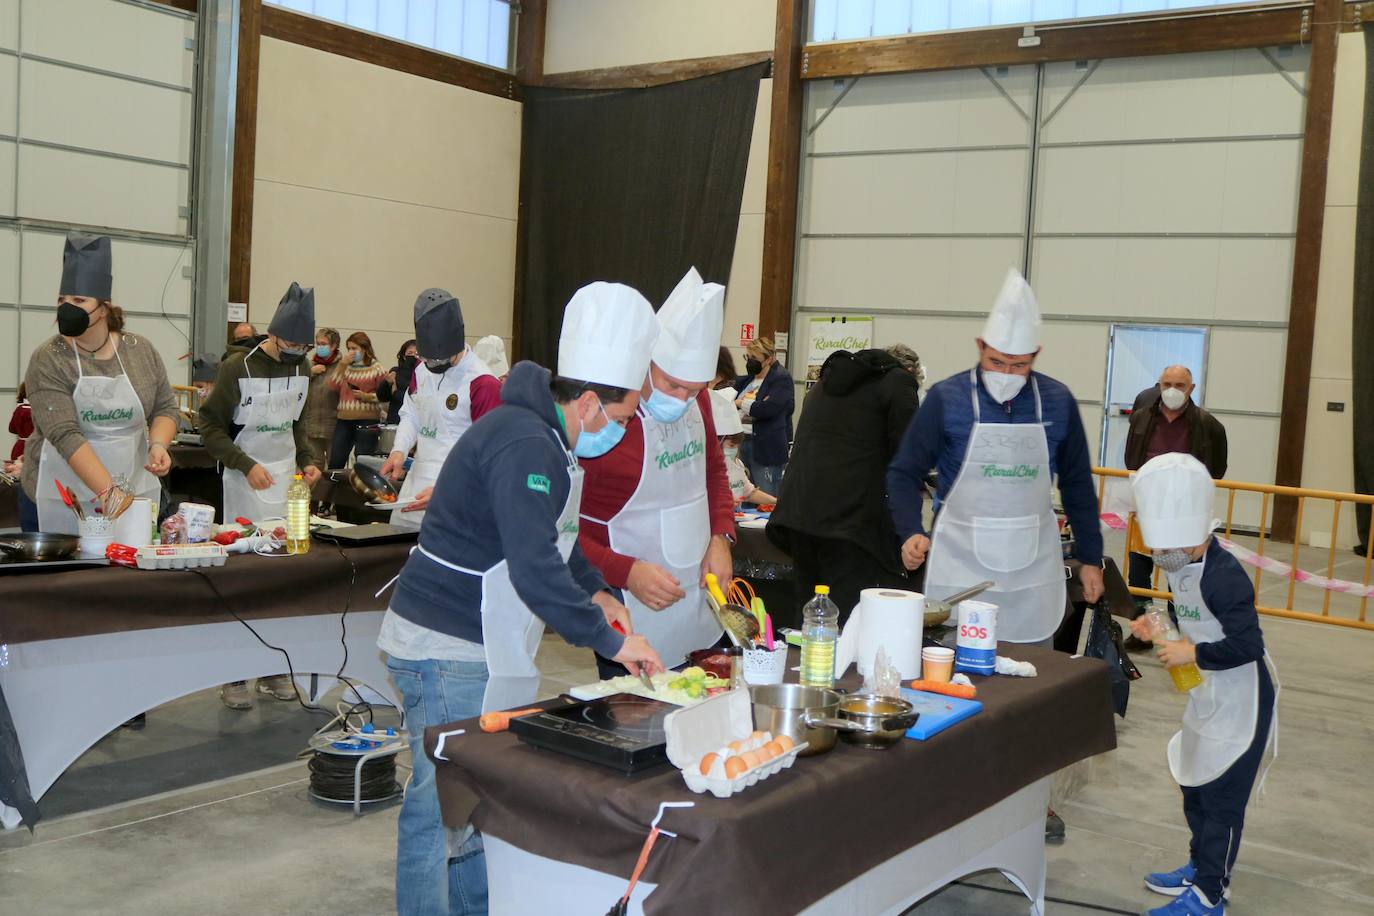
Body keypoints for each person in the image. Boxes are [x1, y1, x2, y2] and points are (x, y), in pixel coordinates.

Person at [376, 280, 666, 916]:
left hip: (478, 639)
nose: (618, 433)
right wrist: (615, 641)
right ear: (587, 403)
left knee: (476, 802)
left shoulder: (551, 439)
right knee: (439, 808)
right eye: (618, 420)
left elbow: (557, 540)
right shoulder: (526, 441)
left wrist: (598, 591)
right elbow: (535, 572)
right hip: (444, 641)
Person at [1127, 453, 1276, 916]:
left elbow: (1247, 644)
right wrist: (1160, 631)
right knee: (1194, 785)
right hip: (1207, 694)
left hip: (1242, 698)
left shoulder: (1225, 576)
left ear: (1196, 534)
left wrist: (1194, 653)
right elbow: (1187, 621)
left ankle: (1212, 894)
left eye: (1166, 545)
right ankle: (1198, 868)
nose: (1159, 555)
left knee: (1222, 799)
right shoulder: (1181, 566)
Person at [579, 268, 736, 675]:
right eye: (672, 385)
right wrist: (624, 571)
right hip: (622, 594)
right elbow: (559, 531)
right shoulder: (603, 421)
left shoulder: (697, 404)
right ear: (647, 362)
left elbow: (714, 472)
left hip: (696, 592)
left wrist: (720, 536)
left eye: (696, 389)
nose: (683, 399)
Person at [199, 283, 321, 708]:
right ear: (273, 334)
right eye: (289, 343)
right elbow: (208, 425)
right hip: (244, 483)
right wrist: (243, 463)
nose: (295, 351)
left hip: (286, 483)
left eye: (303, 345)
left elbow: (297, 424)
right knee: (245, 582)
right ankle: (233, 676)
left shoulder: (303, 368)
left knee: (281, 582)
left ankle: (273, 670)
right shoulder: (239, 368)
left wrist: (307, 459)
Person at [20, 234, 178, 534]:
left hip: (131, 492)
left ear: (103, 308)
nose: (67, 308)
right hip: (63, 498)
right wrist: (108, 493)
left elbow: (165, 407)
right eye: (62, 301)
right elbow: (64, 433)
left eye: (79, 301)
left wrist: (158, 445)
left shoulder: (140, 351)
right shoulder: (48, 359)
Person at [766, 345, 921, 624]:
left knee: (809, 617)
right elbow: (908, 458)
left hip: (798, 515)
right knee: (848, 620)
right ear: (909, 371)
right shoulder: (900, 383)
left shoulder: (826, 383)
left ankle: (805, 666)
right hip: (849, 522)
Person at [1123, 366, 1228, 650]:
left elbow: (1217, 469)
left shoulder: (1209, 425)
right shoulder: (1142, 419)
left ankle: (1180, 629)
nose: (1172, 390)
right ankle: (1144, 629)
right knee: (1139, 571)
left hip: (1185, 512)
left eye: (1179, 385)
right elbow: (1131, 456)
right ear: (1158, 385)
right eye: (1167, 383)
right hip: (1148, 508)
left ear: (1191, 388)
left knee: (1181, 575)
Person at [380, 290, 501, 529]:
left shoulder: (483, 383)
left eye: (436, 360)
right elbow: (412, 414)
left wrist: (450, 489)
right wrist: (399, 451)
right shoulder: (420, 371)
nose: (430, 365)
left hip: (460, 488)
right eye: (426, 358)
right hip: (416, 481)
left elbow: (490, 454)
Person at [734, 336, 794, 495]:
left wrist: (741, 404)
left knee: (766, 495)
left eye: (754, 358)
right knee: (745, 495)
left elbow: (768, 409)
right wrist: (752, 406)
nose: (749, 361)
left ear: (769, 359)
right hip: (742, 441)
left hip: (766, 446)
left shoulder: (781, 378)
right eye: (747, 357)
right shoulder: (746, 381)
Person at [327, 332, 387, 467]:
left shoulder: (377, 367)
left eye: (354, 348)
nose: (351, 352)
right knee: (336, 458)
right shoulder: (345, 366)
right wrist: (342, 364)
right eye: (348, 348)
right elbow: (332, 387)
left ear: (364, 349)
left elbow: (385, 396)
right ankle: (335, 486)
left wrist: (367, 397)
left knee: (362, 459)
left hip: (367, 420)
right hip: (344, 419)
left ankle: (360, 487)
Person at [709, 388, 775, 507]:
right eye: (731, 445)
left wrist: (775, 501)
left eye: (737, 446)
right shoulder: (706, 469)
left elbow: (749, 493)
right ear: (716, 443)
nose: (734, 450)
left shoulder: (737, 464)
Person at [305, 327, 341, 470]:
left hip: (333, 423)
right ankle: (315, 493)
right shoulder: (309, 364)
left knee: (334, 465)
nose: (319, 347)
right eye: (317, 343)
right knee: (314, 465)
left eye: (323, 343)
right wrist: (310, 373)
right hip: (312, 423)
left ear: (333, 346)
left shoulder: (342, 366)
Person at [376, 338, 418, 426]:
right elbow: (382, 397)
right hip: (395, 420)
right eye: (410, 353)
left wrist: (396, 392)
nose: (413, 356)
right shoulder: (395, 371)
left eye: (417, 353)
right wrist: (387, 383)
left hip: (416, 421)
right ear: (403, 355)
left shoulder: (424, 374)